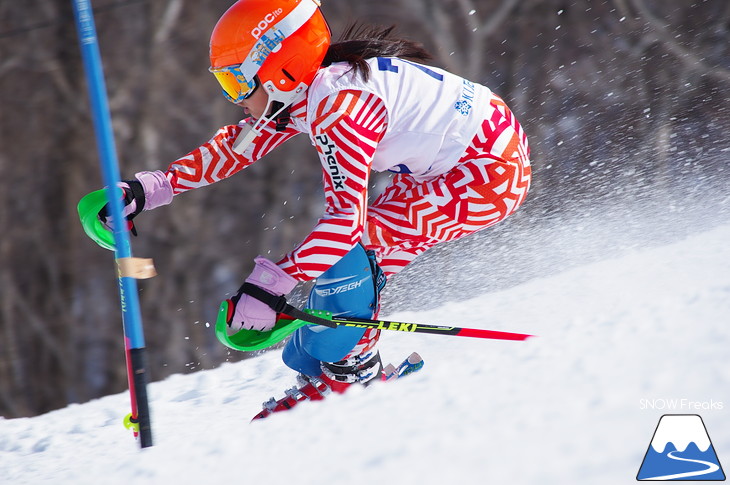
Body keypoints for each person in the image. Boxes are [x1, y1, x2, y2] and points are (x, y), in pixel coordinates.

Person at [99, 0, 531, 419]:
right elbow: (238, 147)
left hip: (486, 173)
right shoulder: (308, 87)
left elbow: (345, 224)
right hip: (456, 158)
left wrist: (270, 285)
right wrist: (150, 188)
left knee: (354, 248)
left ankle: (355, 376)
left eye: (237, 83)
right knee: (334, 297)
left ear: (278, 68)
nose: (235, 99)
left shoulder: (340, 106)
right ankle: (339, 364)